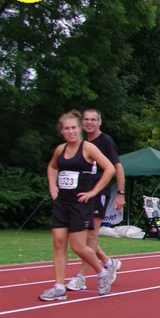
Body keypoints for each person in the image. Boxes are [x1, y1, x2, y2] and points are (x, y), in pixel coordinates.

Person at [40, 111, 116, 301]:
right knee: (58, 242)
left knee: (78, 246)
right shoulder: (60, 150)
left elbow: (110, 168)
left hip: (80, 204)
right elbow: (52, 167)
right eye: (67, 128)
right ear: (62, 131)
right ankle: (59, 287)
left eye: (73, 127)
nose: (71, 131)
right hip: (62, 202)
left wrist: (94, 191)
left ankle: (102, 272)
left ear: (79, 129)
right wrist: (52, 186)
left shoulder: (88, 148)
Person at [66, 108, 125, 293]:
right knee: (82, 237)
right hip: (82, 193)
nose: (89, 122)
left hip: (99, 192)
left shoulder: (105, 141)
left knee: (91, 235)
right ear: (82, 122)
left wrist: (121, 193)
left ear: (99, 122)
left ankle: (81, 276)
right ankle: (109, 262)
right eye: (86, 119)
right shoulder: (81, 143)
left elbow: (118, 167)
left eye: (93, 119)